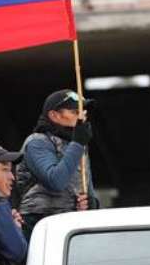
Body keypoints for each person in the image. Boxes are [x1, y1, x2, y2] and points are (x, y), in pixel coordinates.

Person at [15, 89, 97, 239]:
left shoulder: (78, 144)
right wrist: (78, 143)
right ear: (54, 115)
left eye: (83, 110)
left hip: (71, 222)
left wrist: (91, 203)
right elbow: (55, 181)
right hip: (41, 222)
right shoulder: (37, 142)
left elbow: (87, 187)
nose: (82, 116)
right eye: (74, 111)